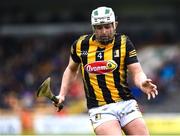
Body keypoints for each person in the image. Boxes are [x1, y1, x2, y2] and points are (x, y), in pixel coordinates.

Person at [55, 6, 158, 135]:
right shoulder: (80, 45)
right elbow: (71, 69)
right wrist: (62, 94)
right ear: (93, 28)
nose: (103, 31)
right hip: (100, 108)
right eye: (99, 27)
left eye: (107, 26)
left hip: (126, 103)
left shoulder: (124, 42)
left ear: (115, 25)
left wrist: (142, 82)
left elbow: (137, 72)